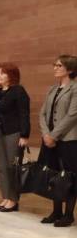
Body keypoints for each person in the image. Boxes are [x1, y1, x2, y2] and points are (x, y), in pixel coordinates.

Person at [38, 55, 77, 227]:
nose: (55, 68)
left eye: (59, 65)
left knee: (69, 176)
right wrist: (46, 134)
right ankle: (56, 212)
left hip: (68, 140)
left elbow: (72, 115)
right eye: (55, 65)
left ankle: (68, 214)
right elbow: (42, 114)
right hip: (49, 140)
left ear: (70, 69)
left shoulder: (75, 88)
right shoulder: (52, 89)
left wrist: (53, 135)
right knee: (53, 175)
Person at [0, 63, 30, 212]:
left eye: (2, 73)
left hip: (14, 133)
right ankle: (5, 197)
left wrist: (24, 135)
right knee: (2, 167)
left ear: (11, 75)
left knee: (13, 167)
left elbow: (24, 114)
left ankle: (13, 199)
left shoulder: (19, 91)